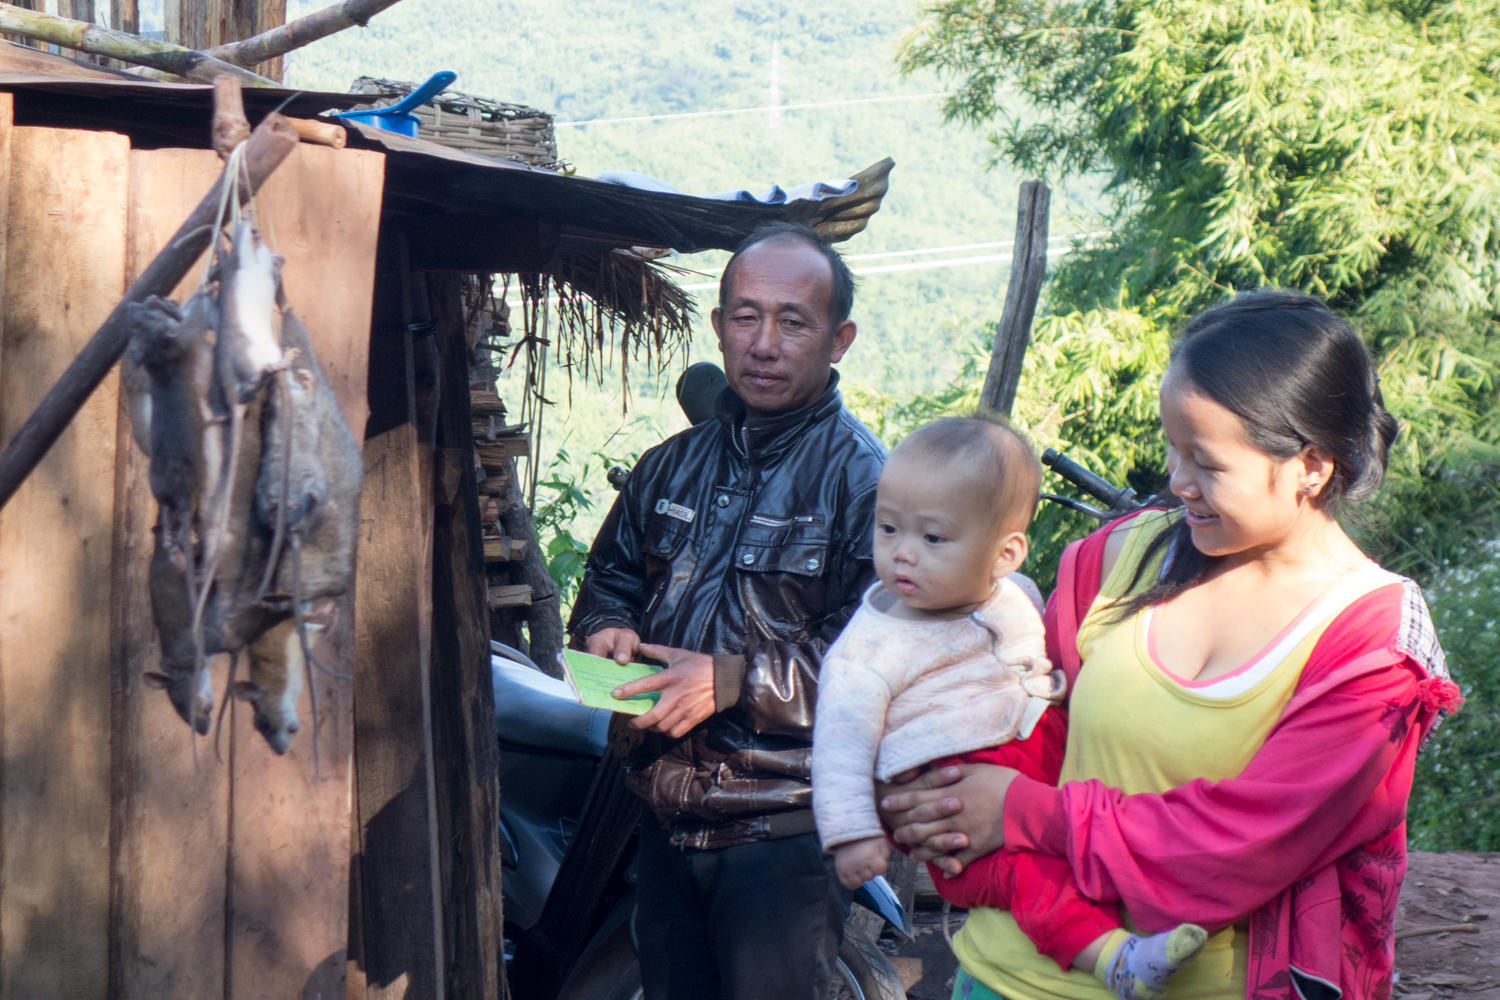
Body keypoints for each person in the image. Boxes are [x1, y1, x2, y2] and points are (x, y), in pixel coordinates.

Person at [880, 290, 1462, 1000]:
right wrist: (935, 789)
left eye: (1207, 464)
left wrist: (1018, 811)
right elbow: (1021, 722)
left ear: (1311, 465)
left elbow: (1237, 847)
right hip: (1006, 974)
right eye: (1172, 449)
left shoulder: (1371, 643)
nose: (1178, 483)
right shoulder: (1121, 557)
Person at [567, 222, 886, 1000]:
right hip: (664, 817)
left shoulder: (869, 485)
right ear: (718, 326)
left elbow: (881, 663)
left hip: (785, 831)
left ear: (838, 339)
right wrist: (607, 628)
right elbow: (608, 578)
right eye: (746, 317)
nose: (764, 344)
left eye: (793, 321)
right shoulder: (668, 467)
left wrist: (734, 679)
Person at [812, 416, 1207, 1000]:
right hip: (947, 789)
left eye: (933, 538)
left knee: (1088, 802)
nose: (903, 554)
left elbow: (1034, 667)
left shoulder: (1015, 596)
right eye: (888, 529)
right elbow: (839, 747)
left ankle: (1147, 888)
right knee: (1026, 877)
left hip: (1031, 739)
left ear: (1006, 553)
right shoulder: (867, 649)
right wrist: (852, 833)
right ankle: (1113, 959)